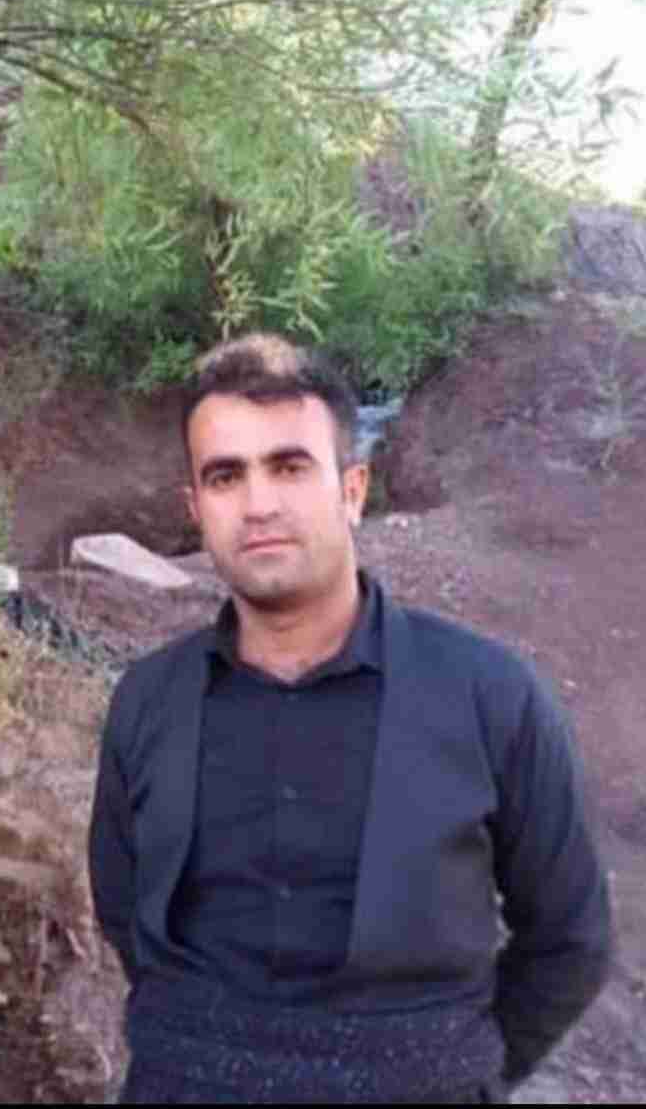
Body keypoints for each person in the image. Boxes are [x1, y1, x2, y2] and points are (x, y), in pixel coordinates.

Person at [88, 333, 612, 1103]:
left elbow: (571, 936)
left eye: (290, 466)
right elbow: (123, 908)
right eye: (226, 475)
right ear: (196, 509)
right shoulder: (147, 701)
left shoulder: (491, 695)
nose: (259, 504)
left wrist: (462, 1070)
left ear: (353, 489)